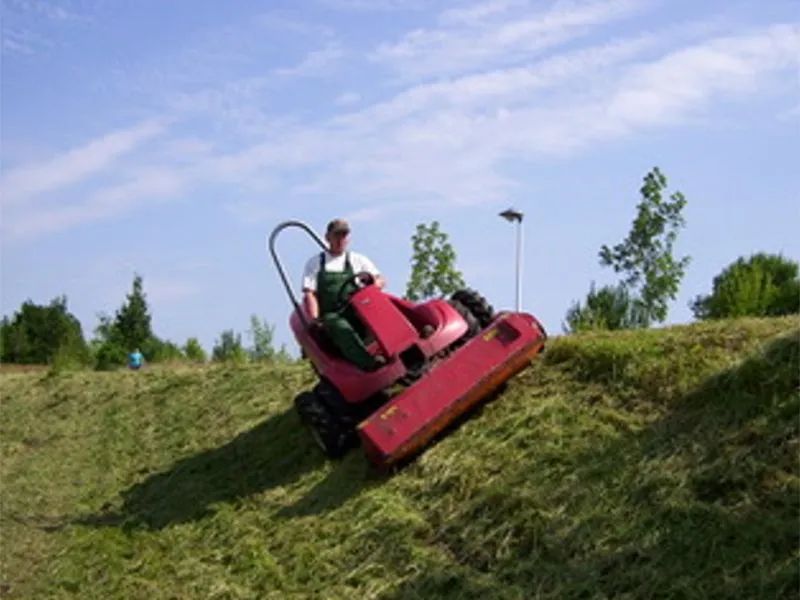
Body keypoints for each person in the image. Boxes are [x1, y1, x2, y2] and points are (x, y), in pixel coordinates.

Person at [302, 218, 386, 371]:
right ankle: (370, 364)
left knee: (383, 308)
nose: (341, 239)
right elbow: (310, 294)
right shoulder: (315, 263)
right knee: (337, 324)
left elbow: (380, 280)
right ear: (328, 237)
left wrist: (372, 283)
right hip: (332, 316)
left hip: (357, 312)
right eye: (337, 235)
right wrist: (315, 320)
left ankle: (400, 347)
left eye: (344, 235)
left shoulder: (358, 260)